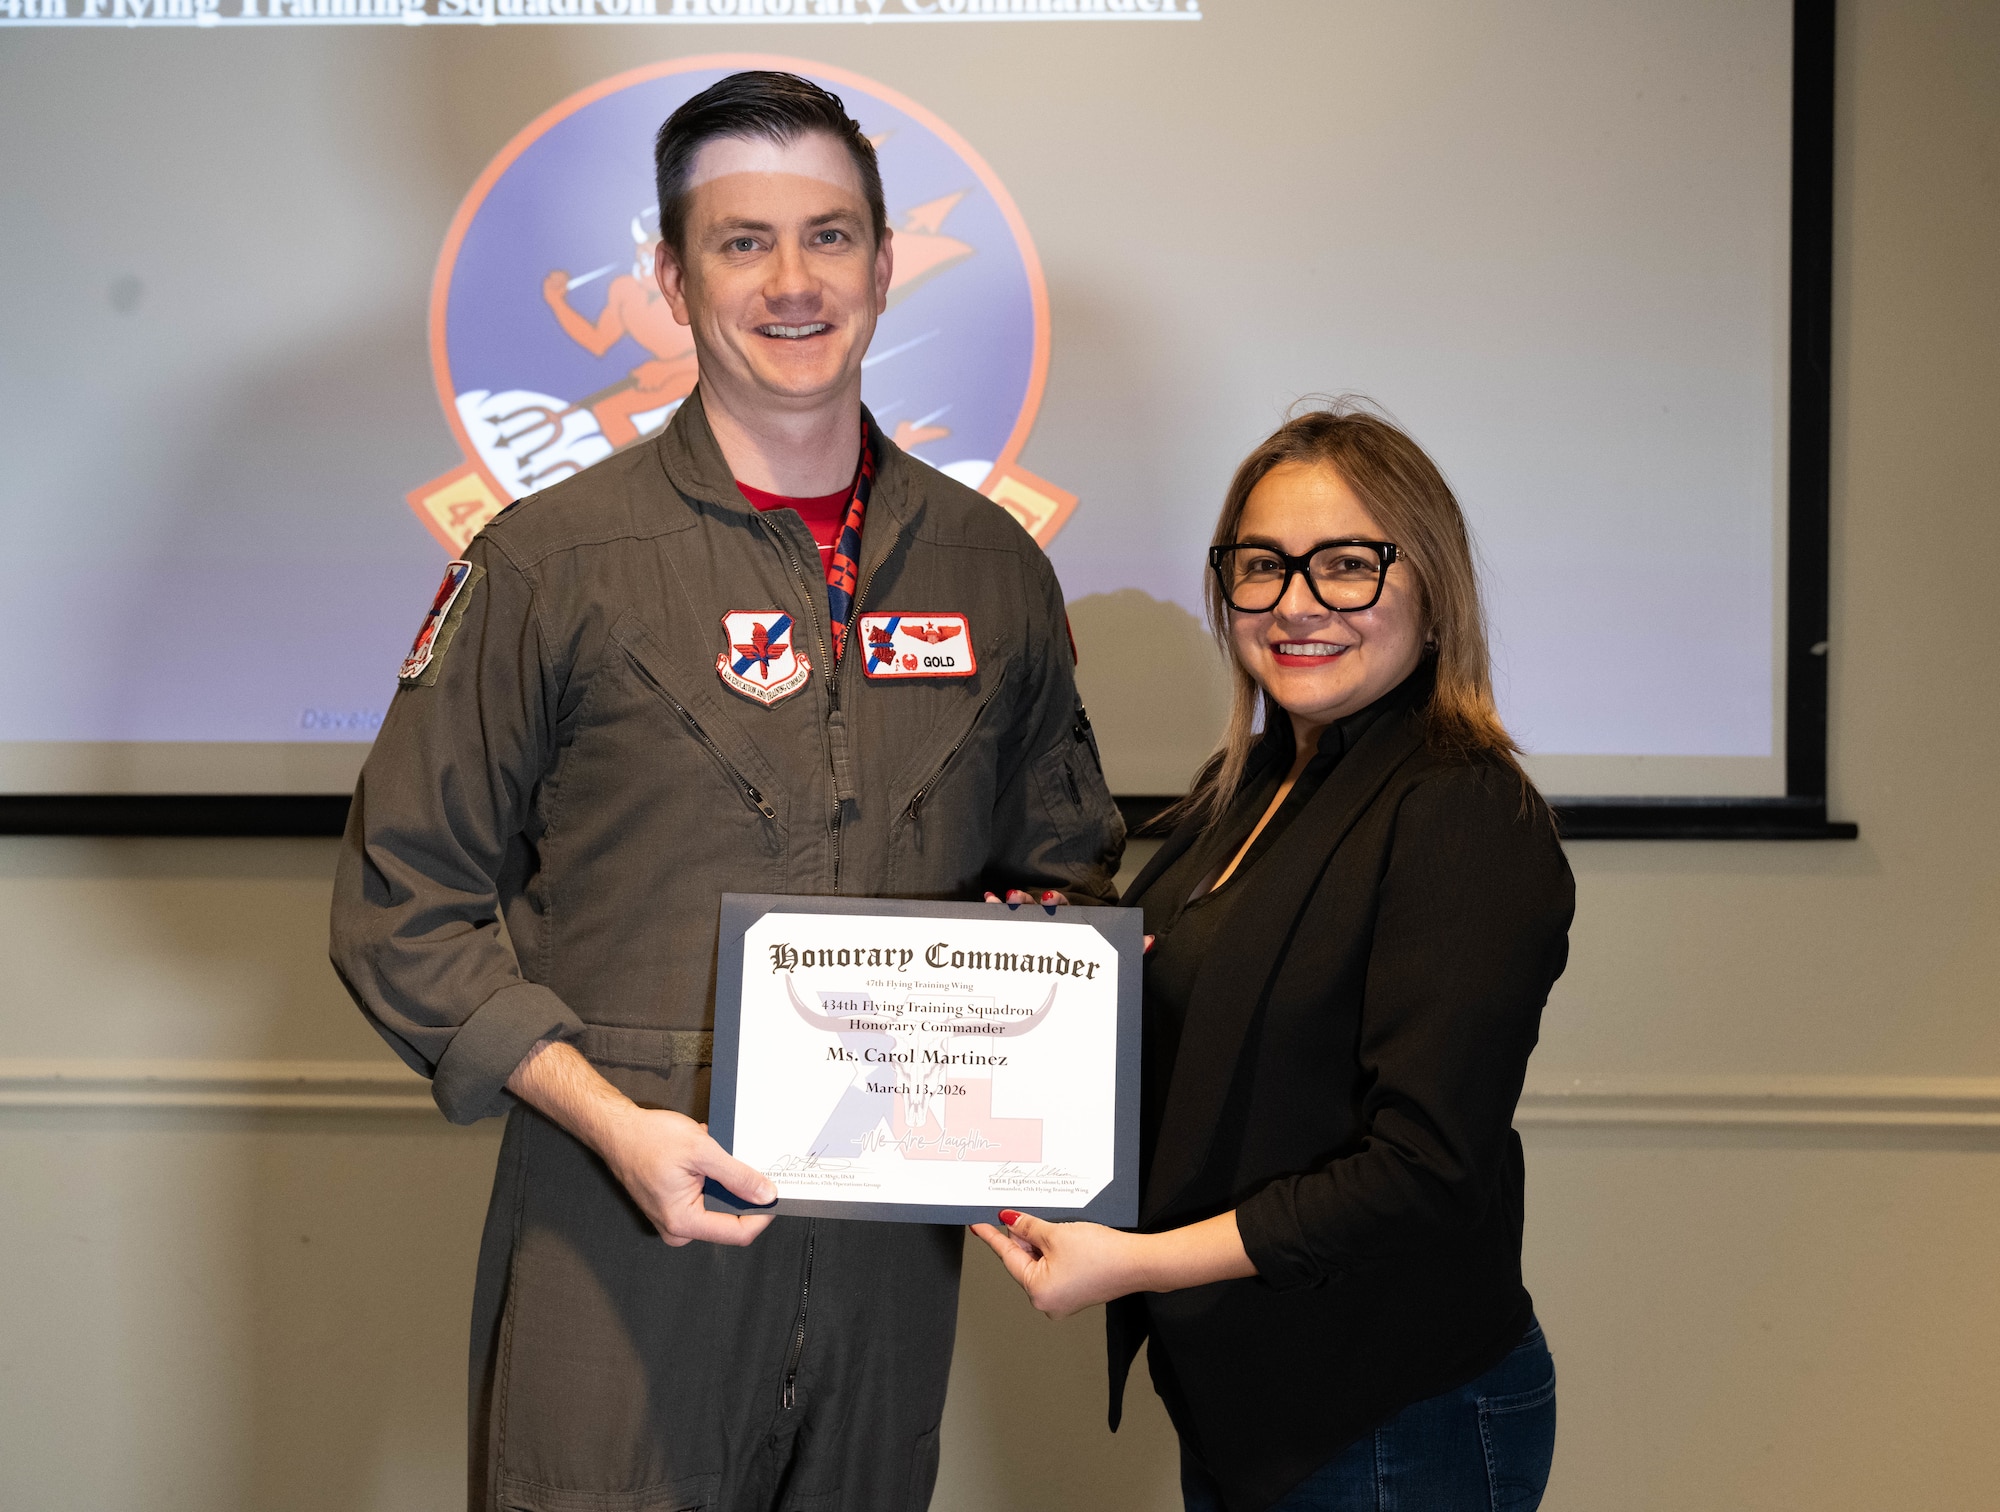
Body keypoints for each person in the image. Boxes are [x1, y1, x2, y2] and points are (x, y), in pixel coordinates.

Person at [331, 71, 1123, 1512]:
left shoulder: (991, 569)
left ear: (885, 264)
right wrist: (611, 1117)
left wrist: (1024, 994)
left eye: (828, 235)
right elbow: (405, 903)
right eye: (742, 241)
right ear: (670, 280)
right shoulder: (548, 561)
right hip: (618, 1222)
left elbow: (1062, 865)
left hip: (891, 1251)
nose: (793, 280)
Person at [974, 403, 1575, 1512]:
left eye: (1345, 564)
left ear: (1429, 587)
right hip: (1254, 1405)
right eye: (1261, 566)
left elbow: (1421, 1173)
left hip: (1391, 1415)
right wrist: (1039, 974)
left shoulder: (1461, 809)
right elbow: (1215, 1029)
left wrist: (1135, 1263)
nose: (1296, 604)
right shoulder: (1246, 790)